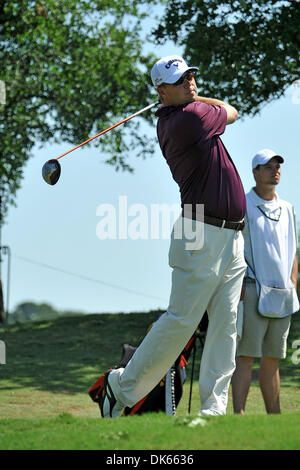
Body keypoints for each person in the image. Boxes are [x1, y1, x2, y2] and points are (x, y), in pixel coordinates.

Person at [98, 55, 246, 418]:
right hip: (200, 225)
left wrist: (186, 96)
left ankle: (213, 410)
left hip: (232, 233)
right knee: (182, 319)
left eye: (191, 77)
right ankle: (120, 387)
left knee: (226, 323)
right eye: (181, 81)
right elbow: (233, 110)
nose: (191, 84)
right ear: (161, 91)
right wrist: (198, 99)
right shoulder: (189, 119)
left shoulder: (184, 111)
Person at [231, 149, 299, 414]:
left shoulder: (287, 208)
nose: (274, 170)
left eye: (277, 166)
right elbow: (233, 247)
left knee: (273, 359)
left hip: (283, 293)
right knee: (245, 357)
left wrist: (292, 281)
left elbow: (292, 249)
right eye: (267, 166)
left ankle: (274, 416)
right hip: (251, 290)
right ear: (255, 172)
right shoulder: (242, 203)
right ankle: (238, 415)